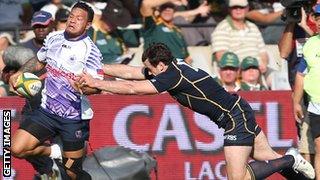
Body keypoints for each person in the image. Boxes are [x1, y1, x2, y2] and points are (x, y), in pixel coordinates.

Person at [77, 42, 315, 180]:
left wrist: (97, 83)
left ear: (160, 65)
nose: (147, 70)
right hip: (238, 110)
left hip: (234, 118)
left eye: (150, 67)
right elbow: (133, 73)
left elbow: (132, 88)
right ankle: (292, 164)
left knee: (238, 178)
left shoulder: (171, 76)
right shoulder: (170, 65)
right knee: (267, 158)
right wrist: (97, 69)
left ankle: (291, 157)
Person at [9, 2, 103, 180]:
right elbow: (39, 60)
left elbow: (97, 86)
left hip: (73, 119)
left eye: (79, 18)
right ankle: (54, 151)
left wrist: (84, 88)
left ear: (88, 25)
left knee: (72, 172)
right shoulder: (54, 38)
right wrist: (20, 73)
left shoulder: (91, 52)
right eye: (71, 16)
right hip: (47, 112)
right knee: (16, 149)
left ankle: (62, 155)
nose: (73, 21)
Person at [211, 0, 270, 87]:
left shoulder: (253, 27)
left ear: (247, 9)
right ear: (229, 9)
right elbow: (221, 57)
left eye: (241, 7)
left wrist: (264, 64)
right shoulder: (222, 28)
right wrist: (240, 70)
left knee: (277, 77)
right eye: (235, 7)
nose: (238, 10)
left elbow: (263, 53)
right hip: (238, 70)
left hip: (257, 68)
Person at [293, 12, 320, 178]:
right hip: (316, 105)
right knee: (319, 146)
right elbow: (300, 74)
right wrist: (296, 102)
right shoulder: (310, 44)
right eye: (318, 18)